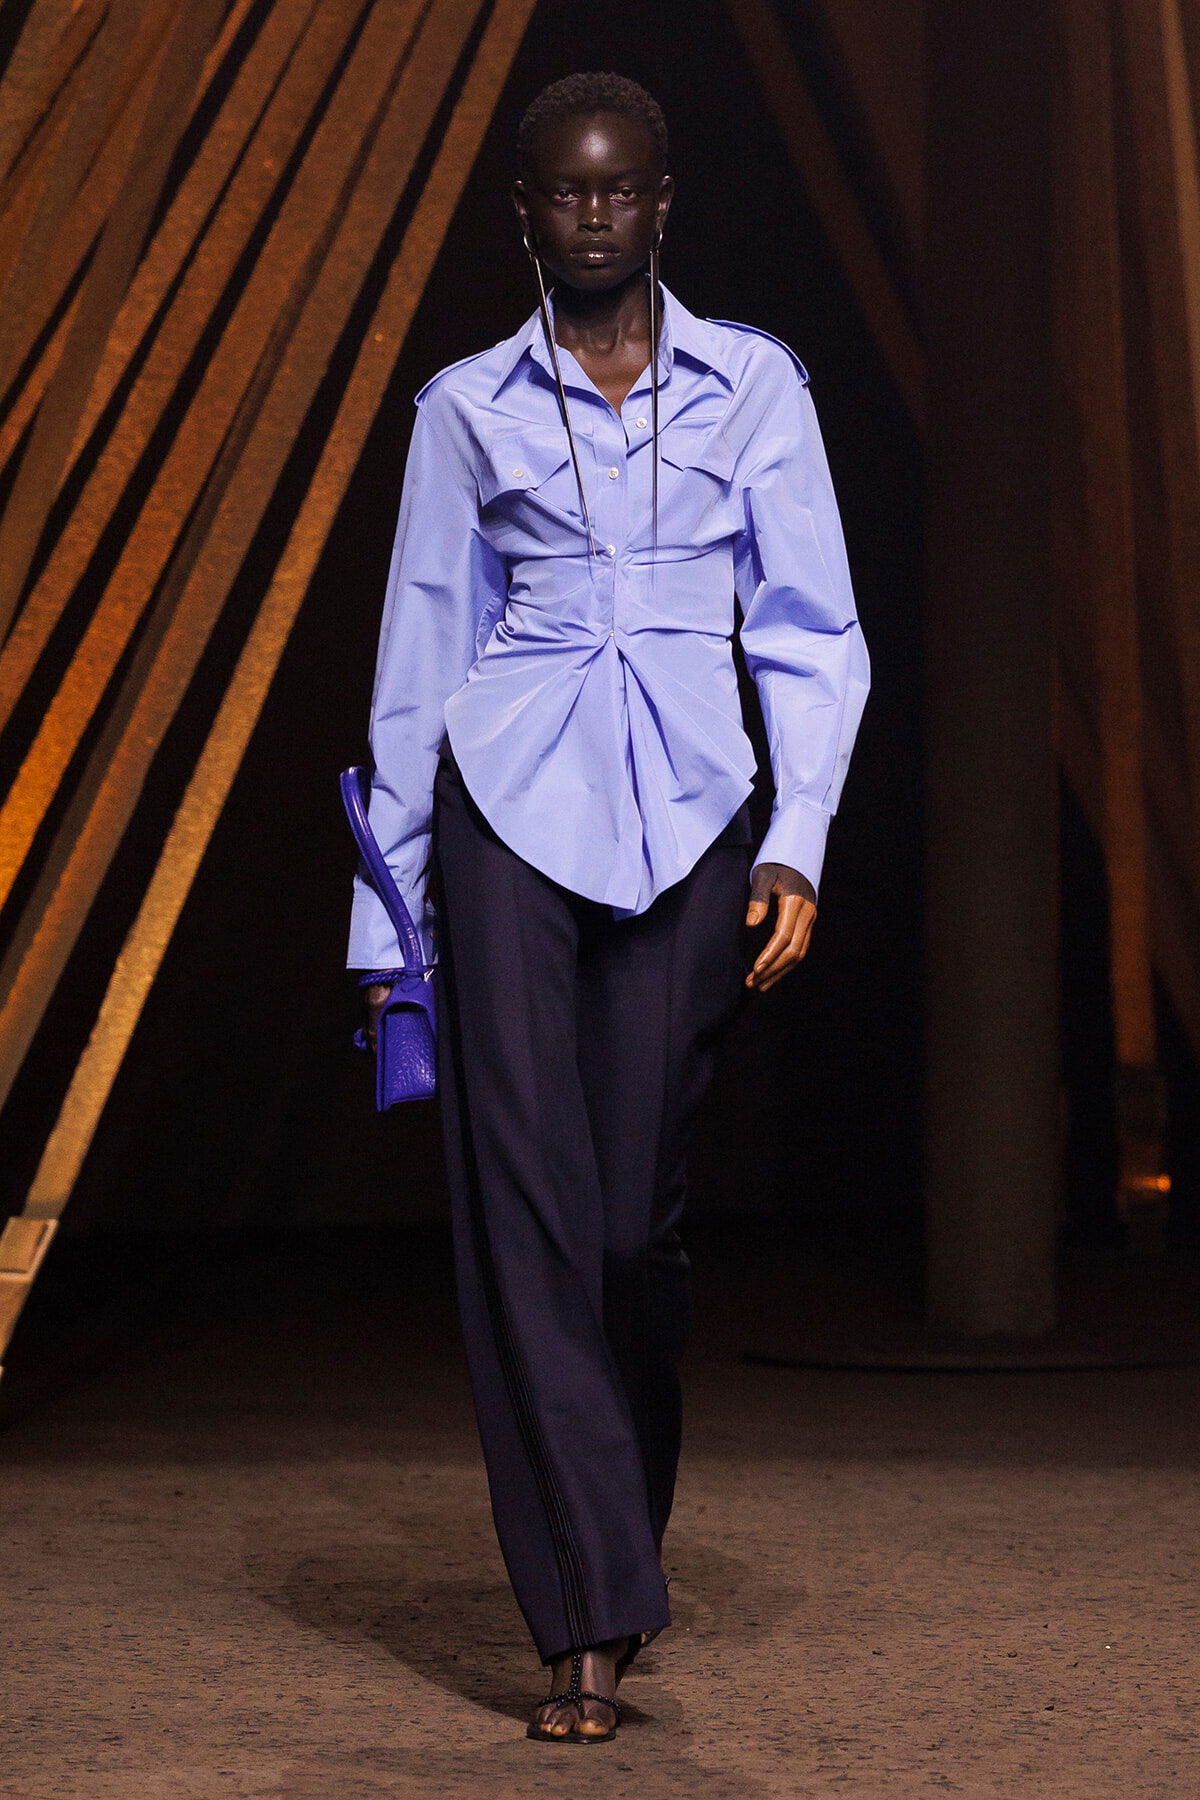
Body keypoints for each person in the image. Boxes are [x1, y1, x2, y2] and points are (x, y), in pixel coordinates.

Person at [347, 71, 869, 1744]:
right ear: (525, 214)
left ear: (662, 202)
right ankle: (581, 1619)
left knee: (632, 1226)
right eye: (565, 192)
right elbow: (420, 657)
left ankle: (615, 1532)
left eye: (619, 189)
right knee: (526, 1211)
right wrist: (388, 931)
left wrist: (799, 841)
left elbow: (812, 629)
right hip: (503, 812)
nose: (593, 214)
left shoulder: (757, 387)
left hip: (695, 820)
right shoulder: (461, 407)